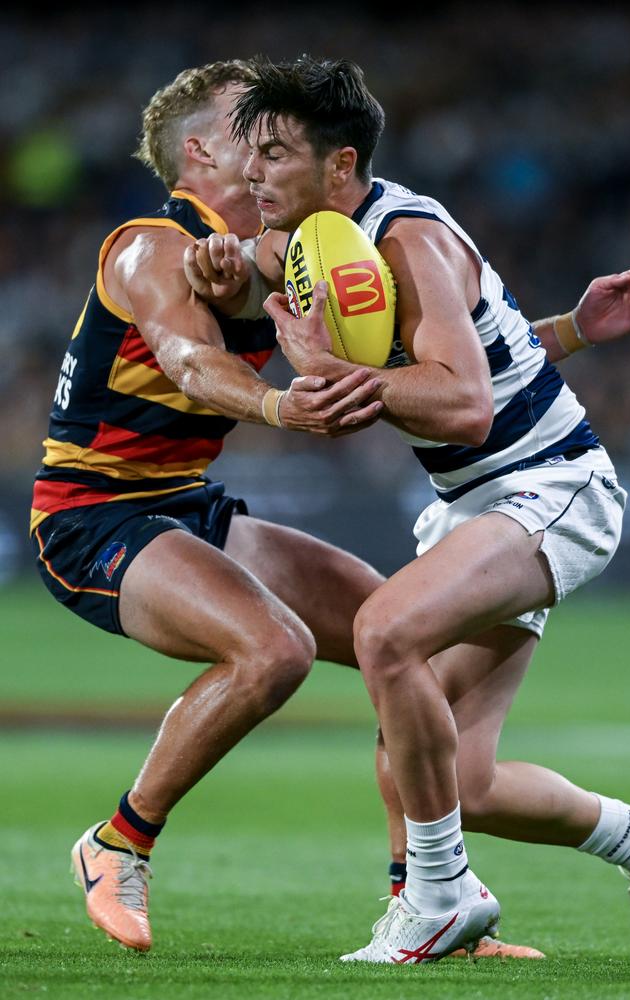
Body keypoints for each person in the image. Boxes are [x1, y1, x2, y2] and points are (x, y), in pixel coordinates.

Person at [183, 54, 630, 964]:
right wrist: (572, 330)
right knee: (445, 774)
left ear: (343, 164)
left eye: (275, 154)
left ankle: (437, 900)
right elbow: (491, 356)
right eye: (252, 155)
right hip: (477, 503)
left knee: (383, 632)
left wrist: (329, 371)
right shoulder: (308, 240)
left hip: (550, 488)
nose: (254, 176)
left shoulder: (407, 238)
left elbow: (464, 405)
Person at [30, 59, 391, 954]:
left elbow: (438, 351)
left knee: (402, 635)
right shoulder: (150, 244)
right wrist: (280, 404)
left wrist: (570, 331)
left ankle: (428, 899)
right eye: (251, 125)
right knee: (274, 650)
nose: (273, 138)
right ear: (199, 151)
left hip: (187, 505)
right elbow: (190, 364)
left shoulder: (282, 255)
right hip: (94, 516)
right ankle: (118, 842)